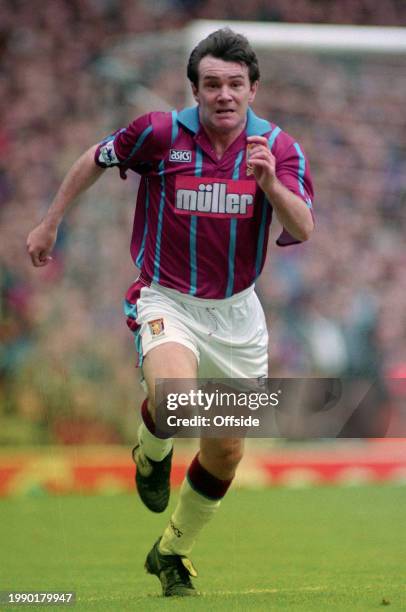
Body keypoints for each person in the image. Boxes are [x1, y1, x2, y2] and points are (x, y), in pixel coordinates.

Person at [27, 28, 314, 597]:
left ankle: (171, 552)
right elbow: (95, 157)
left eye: (235, 84)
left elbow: (303, 227)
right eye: (212, 85)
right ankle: (151, 451)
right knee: (175, 402)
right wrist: (50, 221)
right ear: (195, 90)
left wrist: (269, 185)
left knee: (226, 449)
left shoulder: (278, 149)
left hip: (237, 314)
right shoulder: (159, 133)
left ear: (253, 89)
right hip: (168, 298)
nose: (224, 95)